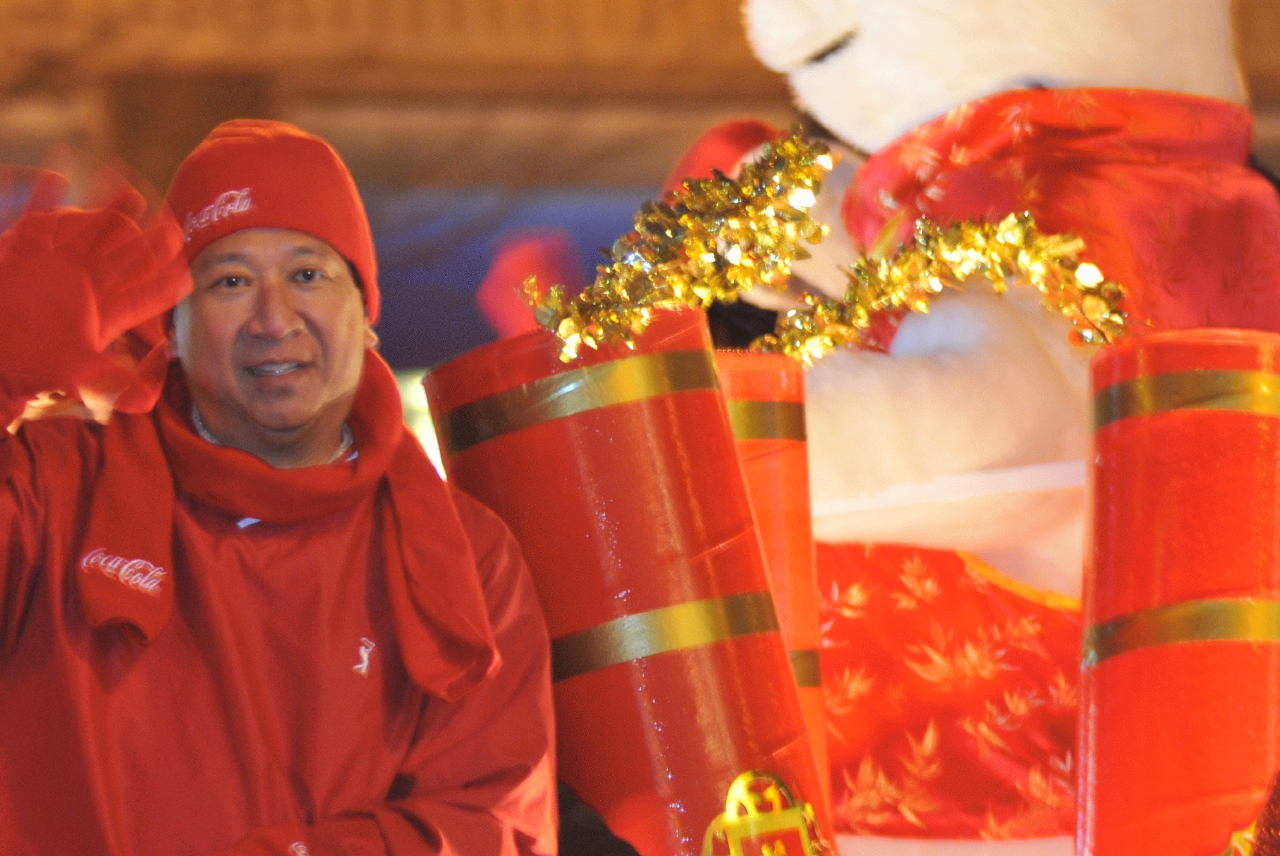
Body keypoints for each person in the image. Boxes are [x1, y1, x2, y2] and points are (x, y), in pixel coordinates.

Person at [0, 120, 558, 855]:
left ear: (366, 317)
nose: (273, 319)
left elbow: (496, 823)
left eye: (307, 274)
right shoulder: (54, 492)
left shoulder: (468, 557)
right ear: (174, 324)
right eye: (230, 280)